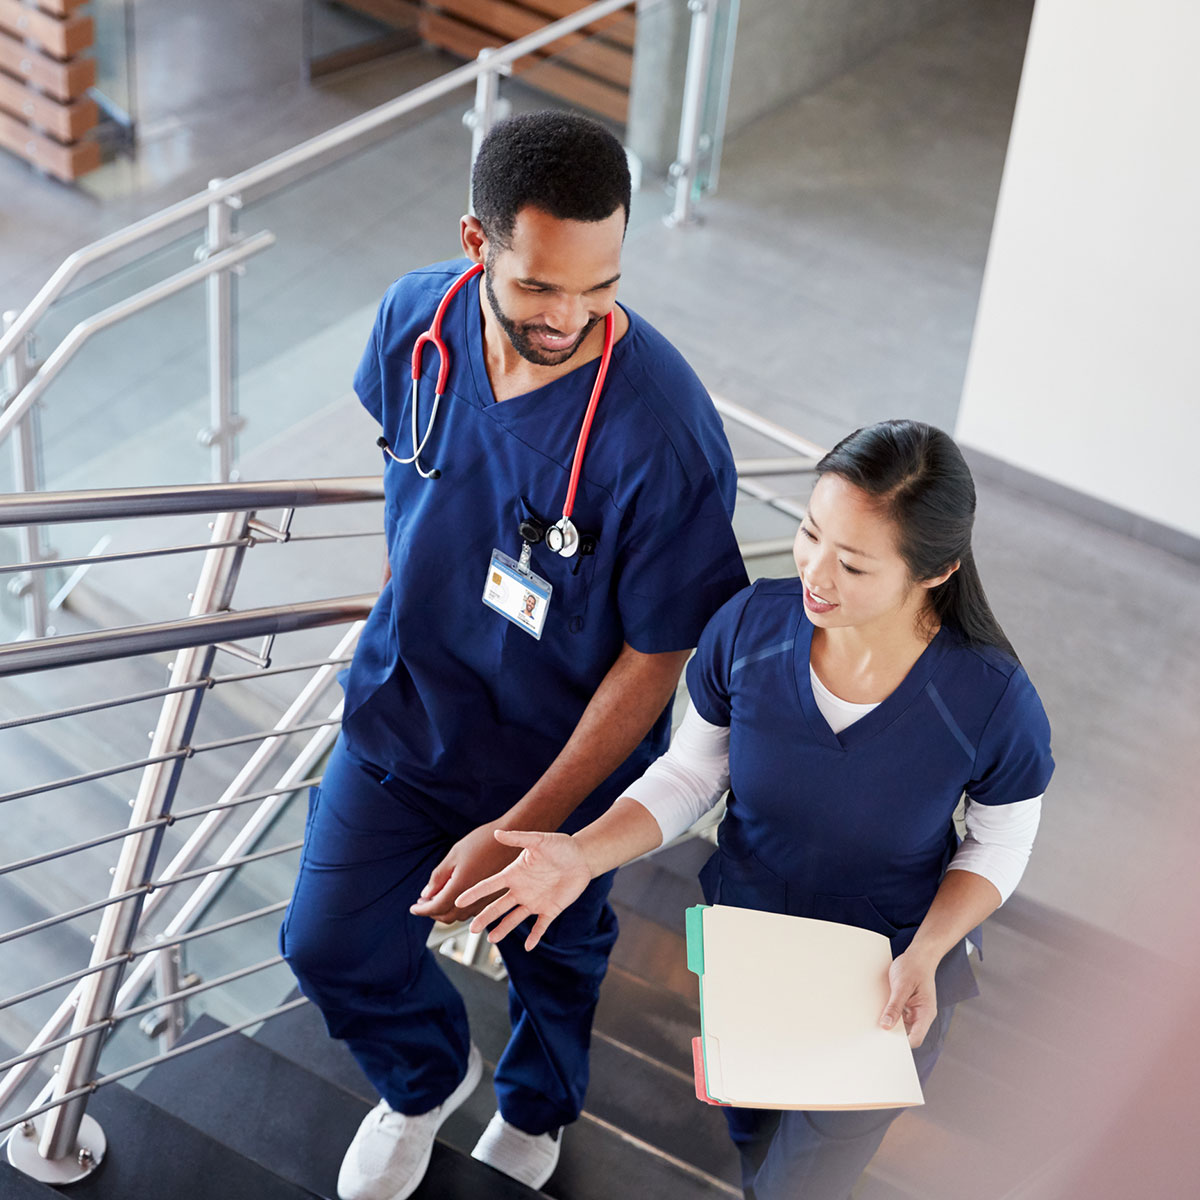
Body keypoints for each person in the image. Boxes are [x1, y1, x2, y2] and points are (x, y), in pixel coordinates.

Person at [279, 110, 747, 1200]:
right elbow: (412, 477)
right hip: (404, 714)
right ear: (477, 241)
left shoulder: (663, 434)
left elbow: (655, 657)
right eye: (540, 286)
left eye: (601, 286)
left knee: (557, 960)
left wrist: (529, 825)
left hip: (565, 765)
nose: (571, 317)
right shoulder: (415, 321)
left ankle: (537, 1107)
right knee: (327, 942)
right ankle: (428, 1077)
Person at [458, 419, 1055, 1200]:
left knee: (805, 1180)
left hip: (886, 977)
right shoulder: (748, 627)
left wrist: (931, 949)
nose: (817, 572)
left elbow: (998, 845)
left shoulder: (990, 700)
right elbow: (690, 775)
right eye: (811, 533)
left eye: (854, 564)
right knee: (751, 1130)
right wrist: (583, 852)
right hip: (750, 946)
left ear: (936, 571)